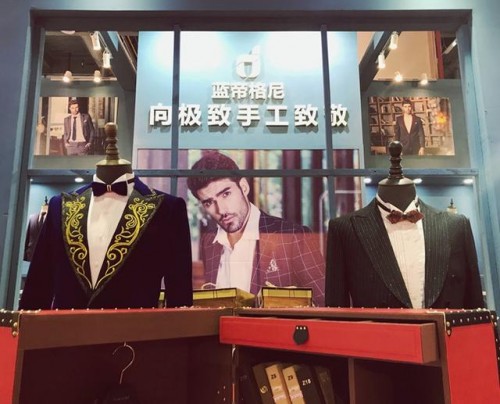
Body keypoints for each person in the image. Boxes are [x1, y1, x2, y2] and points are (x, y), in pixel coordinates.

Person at [20, 123, 193, 309]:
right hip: (66, 327)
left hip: (135, 327)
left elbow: (179, 293)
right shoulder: (60, 206)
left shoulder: (167, 209)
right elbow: (38, 285)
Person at [325, 142, 484, 309]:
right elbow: (336, 310)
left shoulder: (456, 226)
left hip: (445, 326)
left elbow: (474, 304)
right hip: (380, 326)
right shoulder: (345, 230)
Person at [187, 151, 325, 306]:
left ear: (244, 187)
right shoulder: (209, 242)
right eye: (209, 203)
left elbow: (323, 303)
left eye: (226, 194)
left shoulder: (292, 236)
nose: (221, 210)